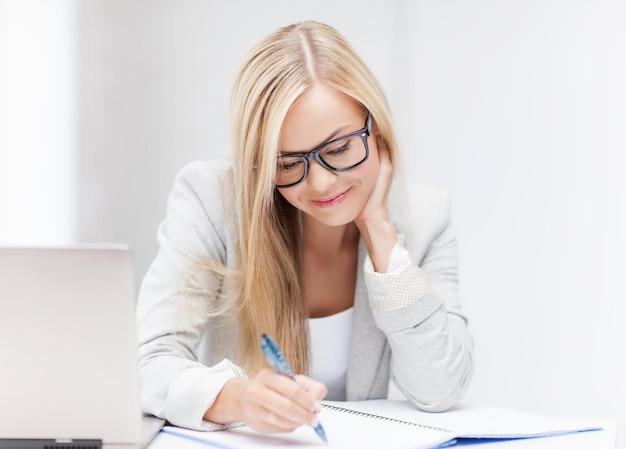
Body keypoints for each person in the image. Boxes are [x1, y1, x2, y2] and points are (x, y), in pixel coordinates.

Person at [136, 20, 474, 434]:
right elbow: (147, 362)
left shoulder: (425, 217)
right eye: (287, 163)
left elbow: (441, 387)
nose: (321, 183)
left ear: (378, 131)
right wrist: (239, 397)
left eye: (340, 148)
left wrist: (380, 233)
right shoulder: (211, 201)